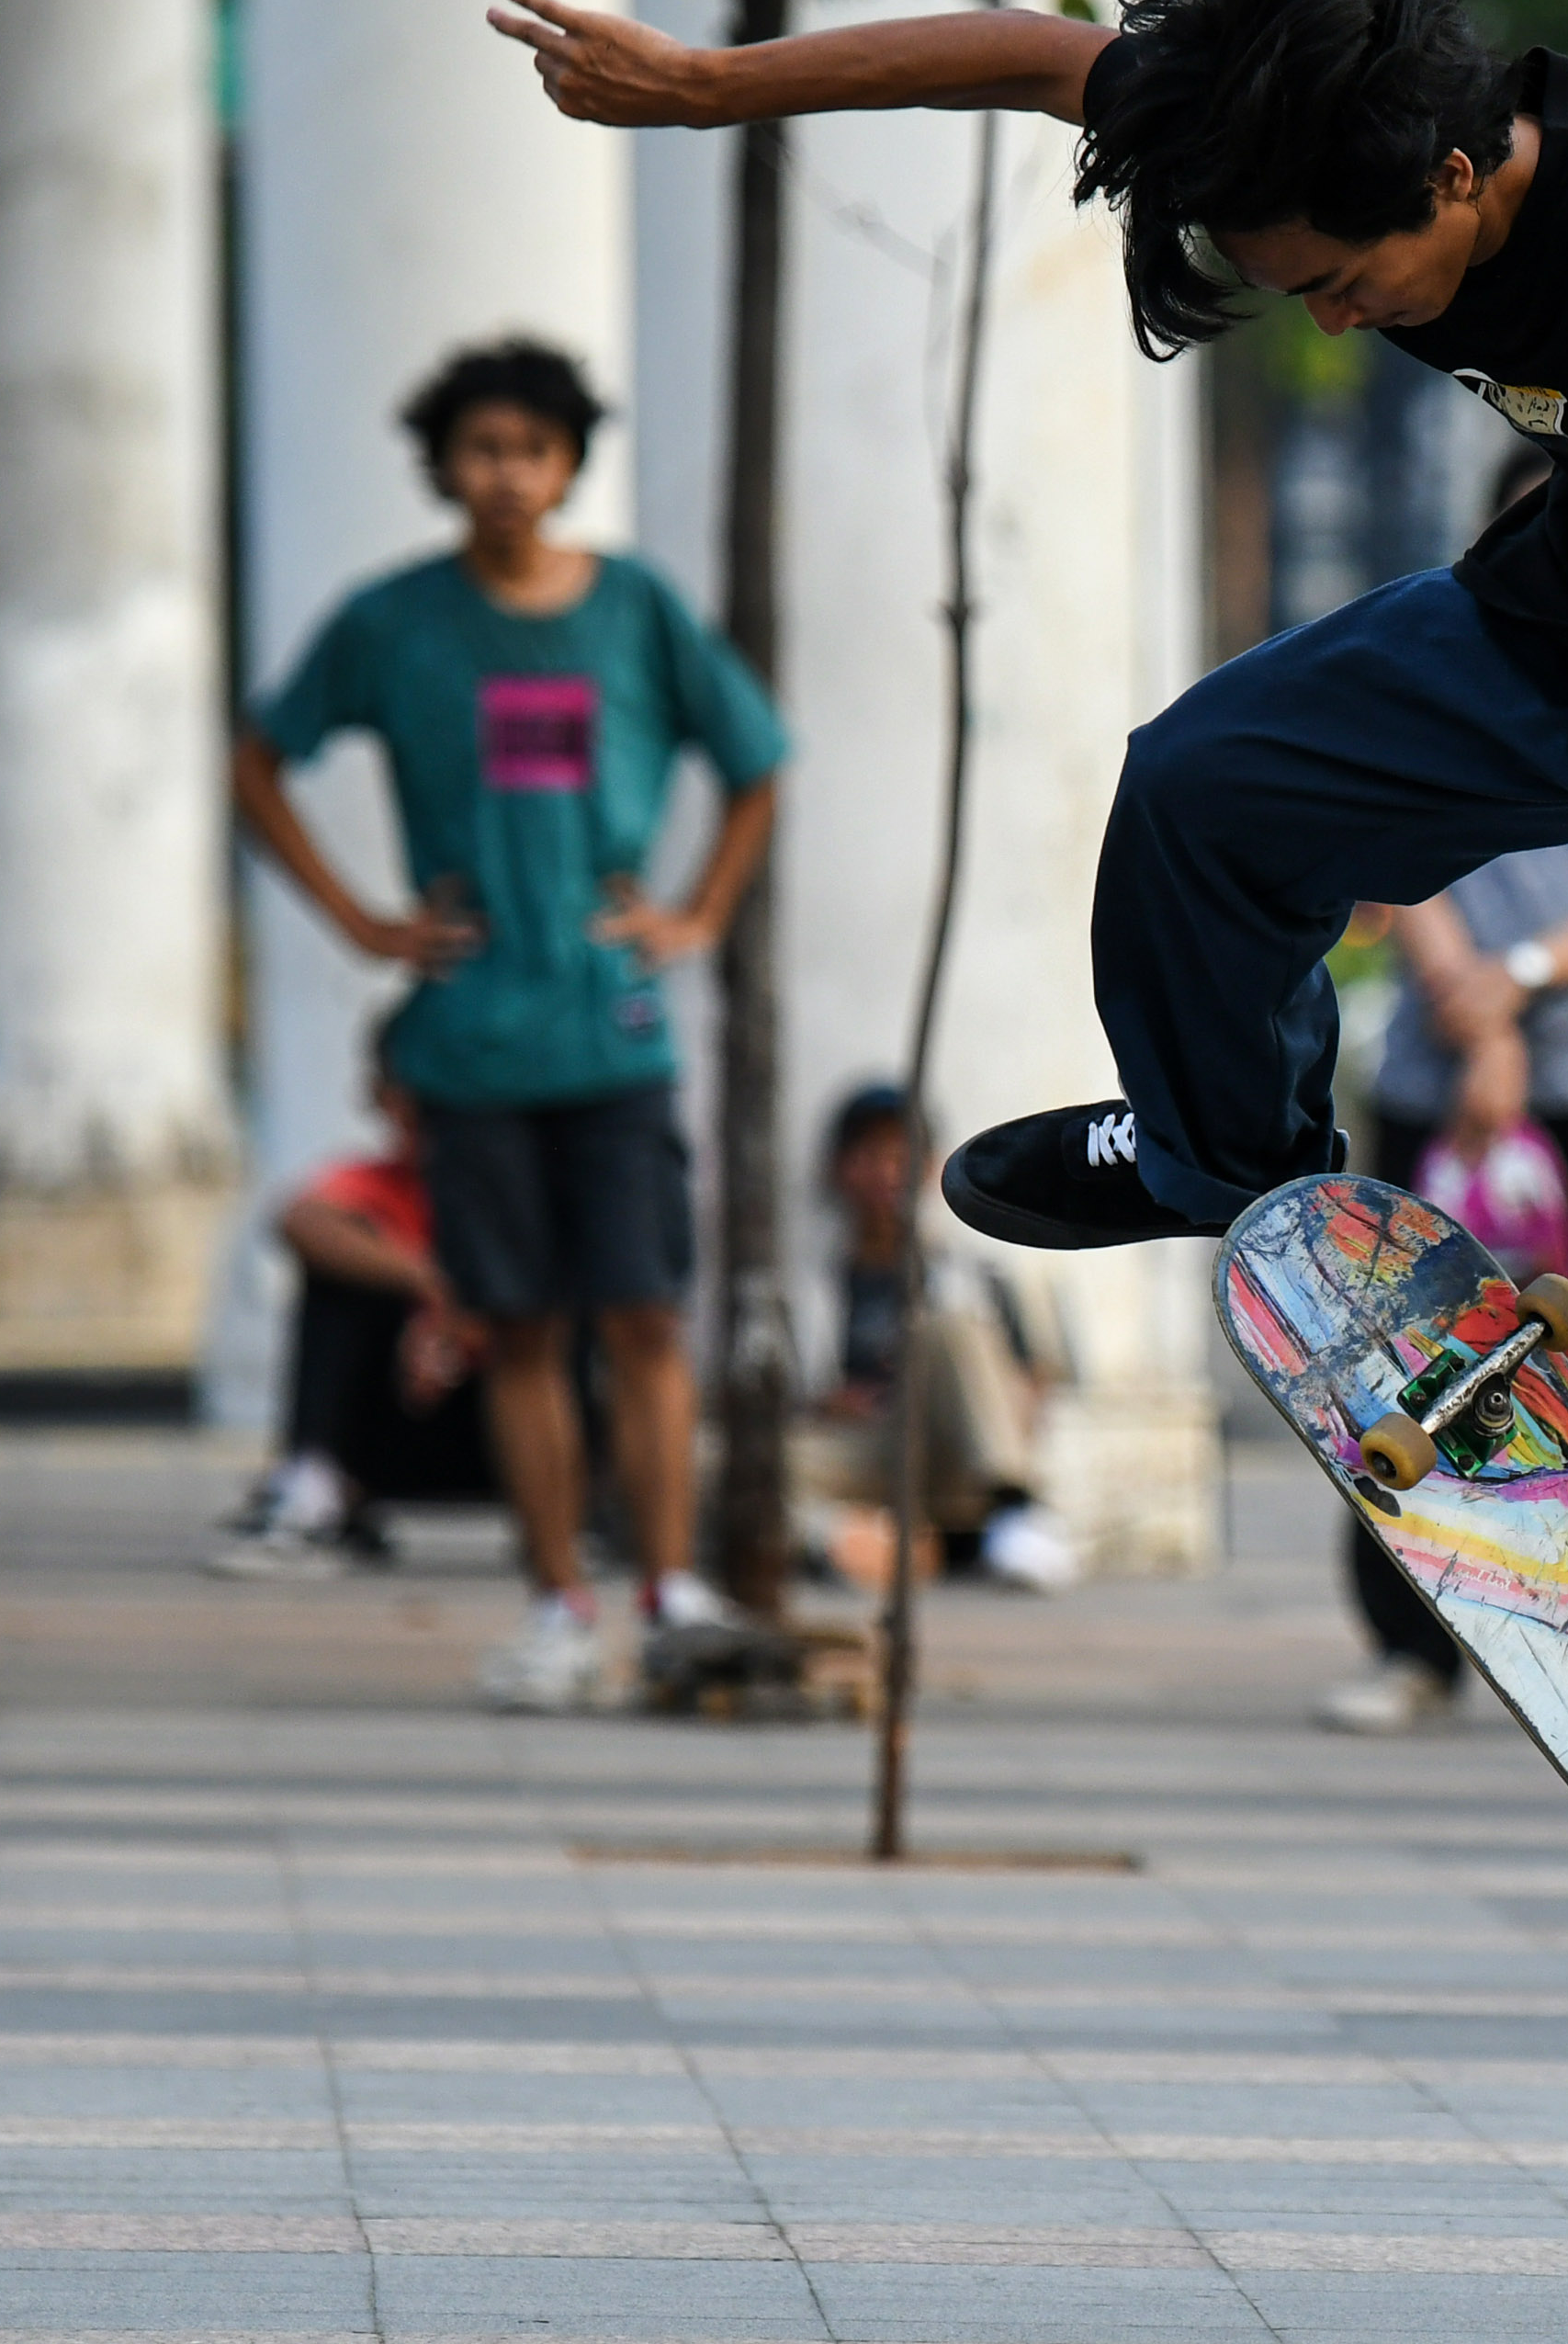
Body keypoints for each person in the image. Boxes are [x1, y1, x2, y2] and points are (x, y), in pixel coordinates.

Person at [494, 0, 1568, 1527]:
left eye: (1341, 280)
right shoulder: (1292, 130)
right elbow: (1029, 52)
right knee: (1205, 782)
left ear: (1456, 179)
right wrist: (718, 86)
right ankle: (1220, 1151)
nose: (1330, 319)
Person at [232, 337, 786, 1712]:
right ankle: (555, 1601)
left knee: (648, 1318)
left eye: (532, 451)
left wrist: (697, 911)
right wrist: (361, 922)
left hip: (616, 1025)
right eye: (481, 450)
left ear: (568, 465)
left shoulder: (636, 612)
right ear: (441, 466)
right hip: (470, 1038)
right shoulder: (392, 622)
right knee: (524, 1330)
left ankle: (670, 1590)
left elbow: (757, 760)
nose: (507, 477)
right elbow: (261, 757)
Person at [1331, 835, 1568, 1733]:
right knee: (1410, 1380)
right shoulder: (1421, 696)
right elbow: (1393, 841)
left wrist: (1515, 980)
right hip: (1434, 1070)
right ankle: (1412, 1644)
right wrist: (1478, 1015)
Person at [206, 1048, 494, 1577]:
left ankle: (575, 1505)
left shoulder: (522, 1189)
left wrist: (471, 1323)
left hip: (504, 1423)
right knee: (341, 1277)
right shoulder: (376, 1183)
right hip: (400, 1420)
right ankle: (315, 1485)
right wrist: (434, 1290)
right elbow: (301, 1220)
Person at [791, 1085, 1082, 1593]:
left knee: (947, 1328)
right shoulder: (811, 1287)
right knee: (740, 1469)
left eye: (899, 1156)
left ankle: (1013, 1513)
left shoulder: (981, 1275)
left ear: (927, 1167)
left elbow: (1038, 1379)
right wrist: (829, 1405)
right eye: (869, 1156)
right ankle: (947, 1549)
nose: (885, 1173)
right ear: (840, 1169)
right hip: (870, 1452)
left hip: (956, 1451)